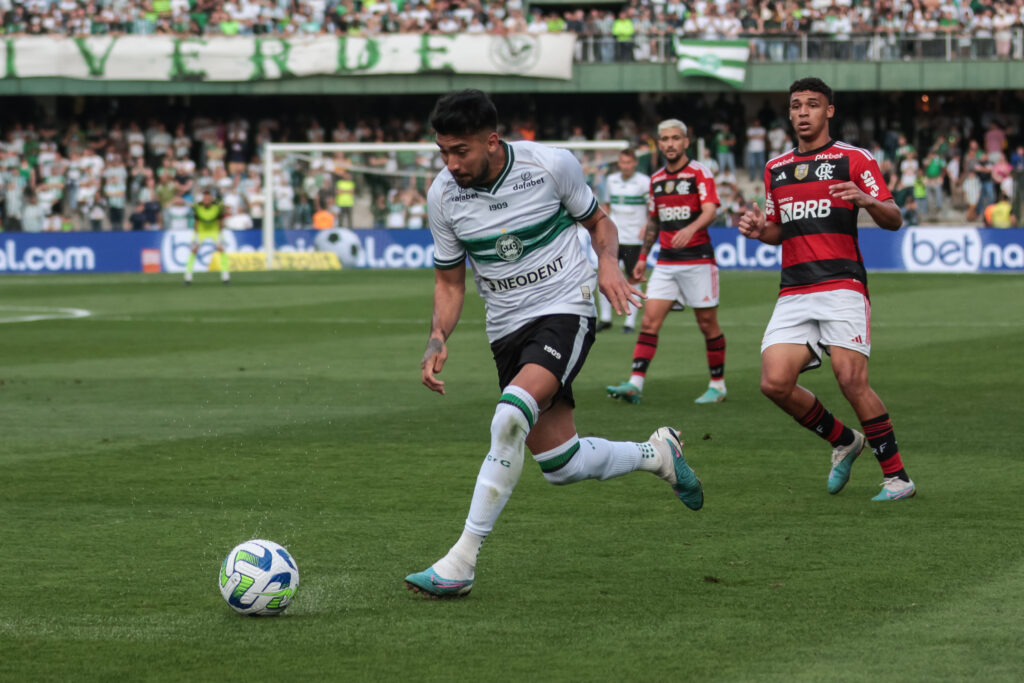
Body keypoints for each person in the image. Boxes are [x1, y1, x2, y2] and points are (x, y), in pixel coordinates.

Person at [405, 90, 704, 599]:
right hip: (505, 329)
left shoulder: (549, 165)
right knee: (561, 464)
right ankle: (656, 454)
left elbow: (599, 222)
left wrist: (607, 262)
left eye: (460, 151)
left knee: (508, 418)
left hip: (565, 307)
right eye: (443, 153)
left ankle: (461, 560)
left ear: (491, 141)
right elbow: (451, 282)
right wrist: (437, 338)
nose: (451, 164)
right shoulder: (443, 195)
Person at [737, 77, 915, 502]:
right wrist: (759, 231)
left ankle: (897, 478)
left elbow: (894, 217)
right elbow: (779, 229)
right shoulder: (775, 168)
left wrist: (866, 200)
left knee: (850, 378)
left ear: (828, 111)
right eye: (796, 105)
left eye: (812, 105)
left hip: (842, 285)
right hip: (794, 290)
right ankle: (844, 440)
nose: (802, 112)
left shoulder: (853, 159)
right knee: (774, 383)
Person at [606, 119, 728, 406]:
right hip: (666, 262)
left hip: (699, 260)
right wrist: (644, 259)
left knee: (707, 324)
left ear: (686, 142)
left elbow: (710, 211)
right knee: (649, 322)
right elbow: (653, 220)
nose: (670, 144)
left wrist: (691, 228)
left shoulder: (700, 173)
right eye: (665, 139)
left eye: (675, 138)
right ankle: (635, 384)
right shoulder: (657, 179)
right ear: (659, 144)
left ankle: (718, 385)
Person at [597, 147, 650, 333]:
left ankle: (629, 322)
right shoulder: (611, 181)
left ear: (635, 163)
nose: (625, 166)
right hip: (614, 238)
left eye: (629, 162)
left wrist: (646, 227)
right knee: (605, 274)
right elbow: (606, 207)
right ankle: (605, 318)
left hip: (634, 238)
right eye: (622, 162)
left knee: (633, 278)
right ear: (619, 163)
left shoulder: (644, 182)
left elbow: (653, 210)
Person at [184, 188, 230, 285]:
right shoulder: (197, 207)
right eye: (205, 198)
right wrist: (196, 237)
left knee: (222, 250)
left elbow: (220, 221)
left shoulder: (218, 206)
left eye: (208, 198)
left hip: (214, 230)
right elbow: (196, 221)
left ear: (212, 198)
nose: (206, 200)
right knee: (193, 251)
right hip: (201, 231)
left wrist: (220, 236)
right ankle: (187, 278)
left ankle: (226, 277)